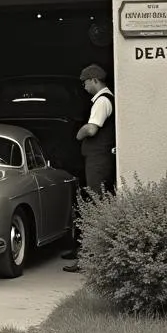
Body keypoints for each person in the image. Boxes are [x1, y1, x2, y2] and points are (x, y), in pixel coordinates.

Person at [64, 63, 116, 273]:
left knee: (95, 206)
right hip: (97, 160)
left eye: (85, 82)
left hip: (99, 161)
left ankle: (88, 258)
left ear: (94, 80)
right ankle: (84, 252)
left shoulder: (102, 101)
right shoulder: (103, 99)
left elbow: (92, 128)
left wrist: (79, 133)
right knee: (94, 202)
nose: (84, 87)